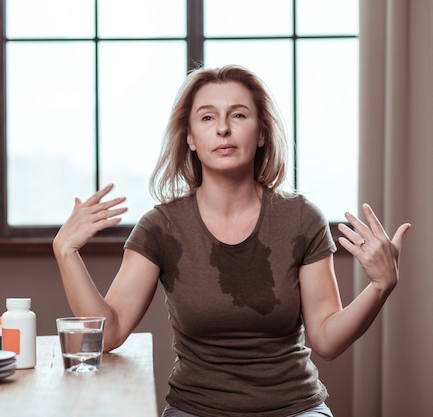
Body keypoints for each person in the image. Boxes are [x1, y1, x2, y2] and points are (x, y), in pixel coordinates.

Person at [52, 65, 411, 417]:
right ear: (190, 137)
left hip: (294, 409)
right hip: (195, 410)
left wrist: (380, 286)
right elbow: (109, 332)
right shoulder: (162, 226)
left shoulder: (301, 218)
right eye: (207, 118)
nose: (223, 128)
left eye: (238, 115)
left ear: (261, 134)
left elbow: (327, 341)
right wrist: (66, 251)